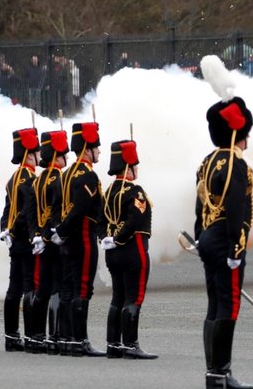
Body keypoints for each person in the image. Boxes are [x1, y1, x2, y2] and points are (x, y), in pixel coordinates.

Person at [195, 97, 253, 389]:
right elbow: (235, 207)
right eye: (245, 135)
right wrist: (235, 245)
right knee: (228, 306)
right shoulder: (235, 163)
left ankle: (213, 372)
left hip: (208, 235)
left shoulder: (208, 161)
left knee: (214, 304)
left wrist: (199, 236)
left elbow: (199, 203)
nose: (247, 141)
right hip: (225, 239)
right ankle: (221, 373)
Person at [100, 140, 157, 359]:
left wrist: (106, 238)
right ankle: (131, 345)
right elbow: (135, 220)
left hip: (112, 253)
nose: (137, 169)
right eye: (135, 165)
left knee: (117, 297)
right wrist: (119, 238)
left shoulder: (107, 192)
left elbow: (99, 220)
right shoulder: (136, 191)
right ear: (128, 166)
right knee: (134, 297)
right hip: (133, 249)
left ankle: (113, 344)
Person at [54, 122, 106, 356]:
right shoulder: (87, 175)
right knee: (83, 289)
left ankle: (66, 339)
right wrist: (64, 229)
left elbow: (58, 207)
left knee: (67, 288)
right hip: (83, 235)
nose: (99, 152)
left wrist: (59, 231)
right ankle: (79, 341)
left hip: (66, 239)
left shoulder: (66, 174)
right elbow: (81, 208)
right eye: (96, 147)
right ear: (87, 148)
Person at [0, 127, 40, 352]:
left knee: (13, 289)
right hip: (26, 238)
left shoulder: (13, 178)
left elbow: (7, 210)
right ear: (29, 154)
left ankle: (11, 336)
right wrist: (14, 230)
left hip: (14, 240)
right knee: (30, 288)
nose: (40, 156)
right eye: (36, 152)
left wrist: (5, 229)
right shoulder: (30, 179)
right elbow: (26, 212)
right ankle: (32, 335)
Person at [28, 129, 69, 354]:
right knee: (56, 288)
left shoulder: (38, 179)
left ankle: (36, 337)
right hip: (54, 239)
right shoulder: (60, 179)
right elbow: (57, 212)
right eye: (64, 155)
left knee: (42, 288)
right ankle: (54, 336)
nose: (66, 159)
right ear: (57, 156)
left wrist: (36, 235)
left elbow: (31, 212)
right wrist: (51, 234)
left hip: (41, 241)